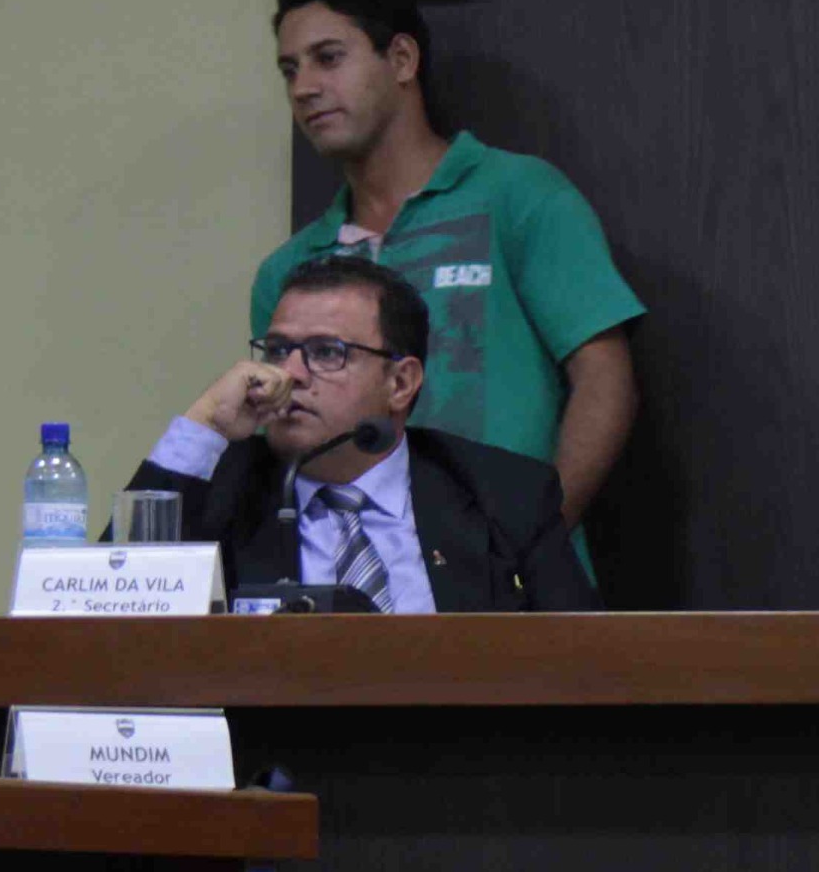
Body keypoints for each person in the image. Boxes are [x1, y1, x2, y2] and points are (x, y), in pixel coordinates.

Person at [255, 0, 644, 539]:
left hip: (509, 563)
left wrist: (531, 544)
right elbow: (280, 433)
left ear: (402, 59)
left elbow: (605, 381)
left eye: (328, 58)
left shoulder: (518, 196)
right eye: (290, 70)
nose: (303, 87)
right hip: (350, 570)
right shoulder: (292, 269)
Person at [129, 256, 598, 612]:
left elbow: (580, 663)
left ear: (400, 383)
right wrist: (207, 421)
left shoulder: (502, 494)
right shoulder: (222, 487)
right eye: (278, 350)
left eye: (326, 352)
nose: (289, 374)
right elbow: (116, 609)